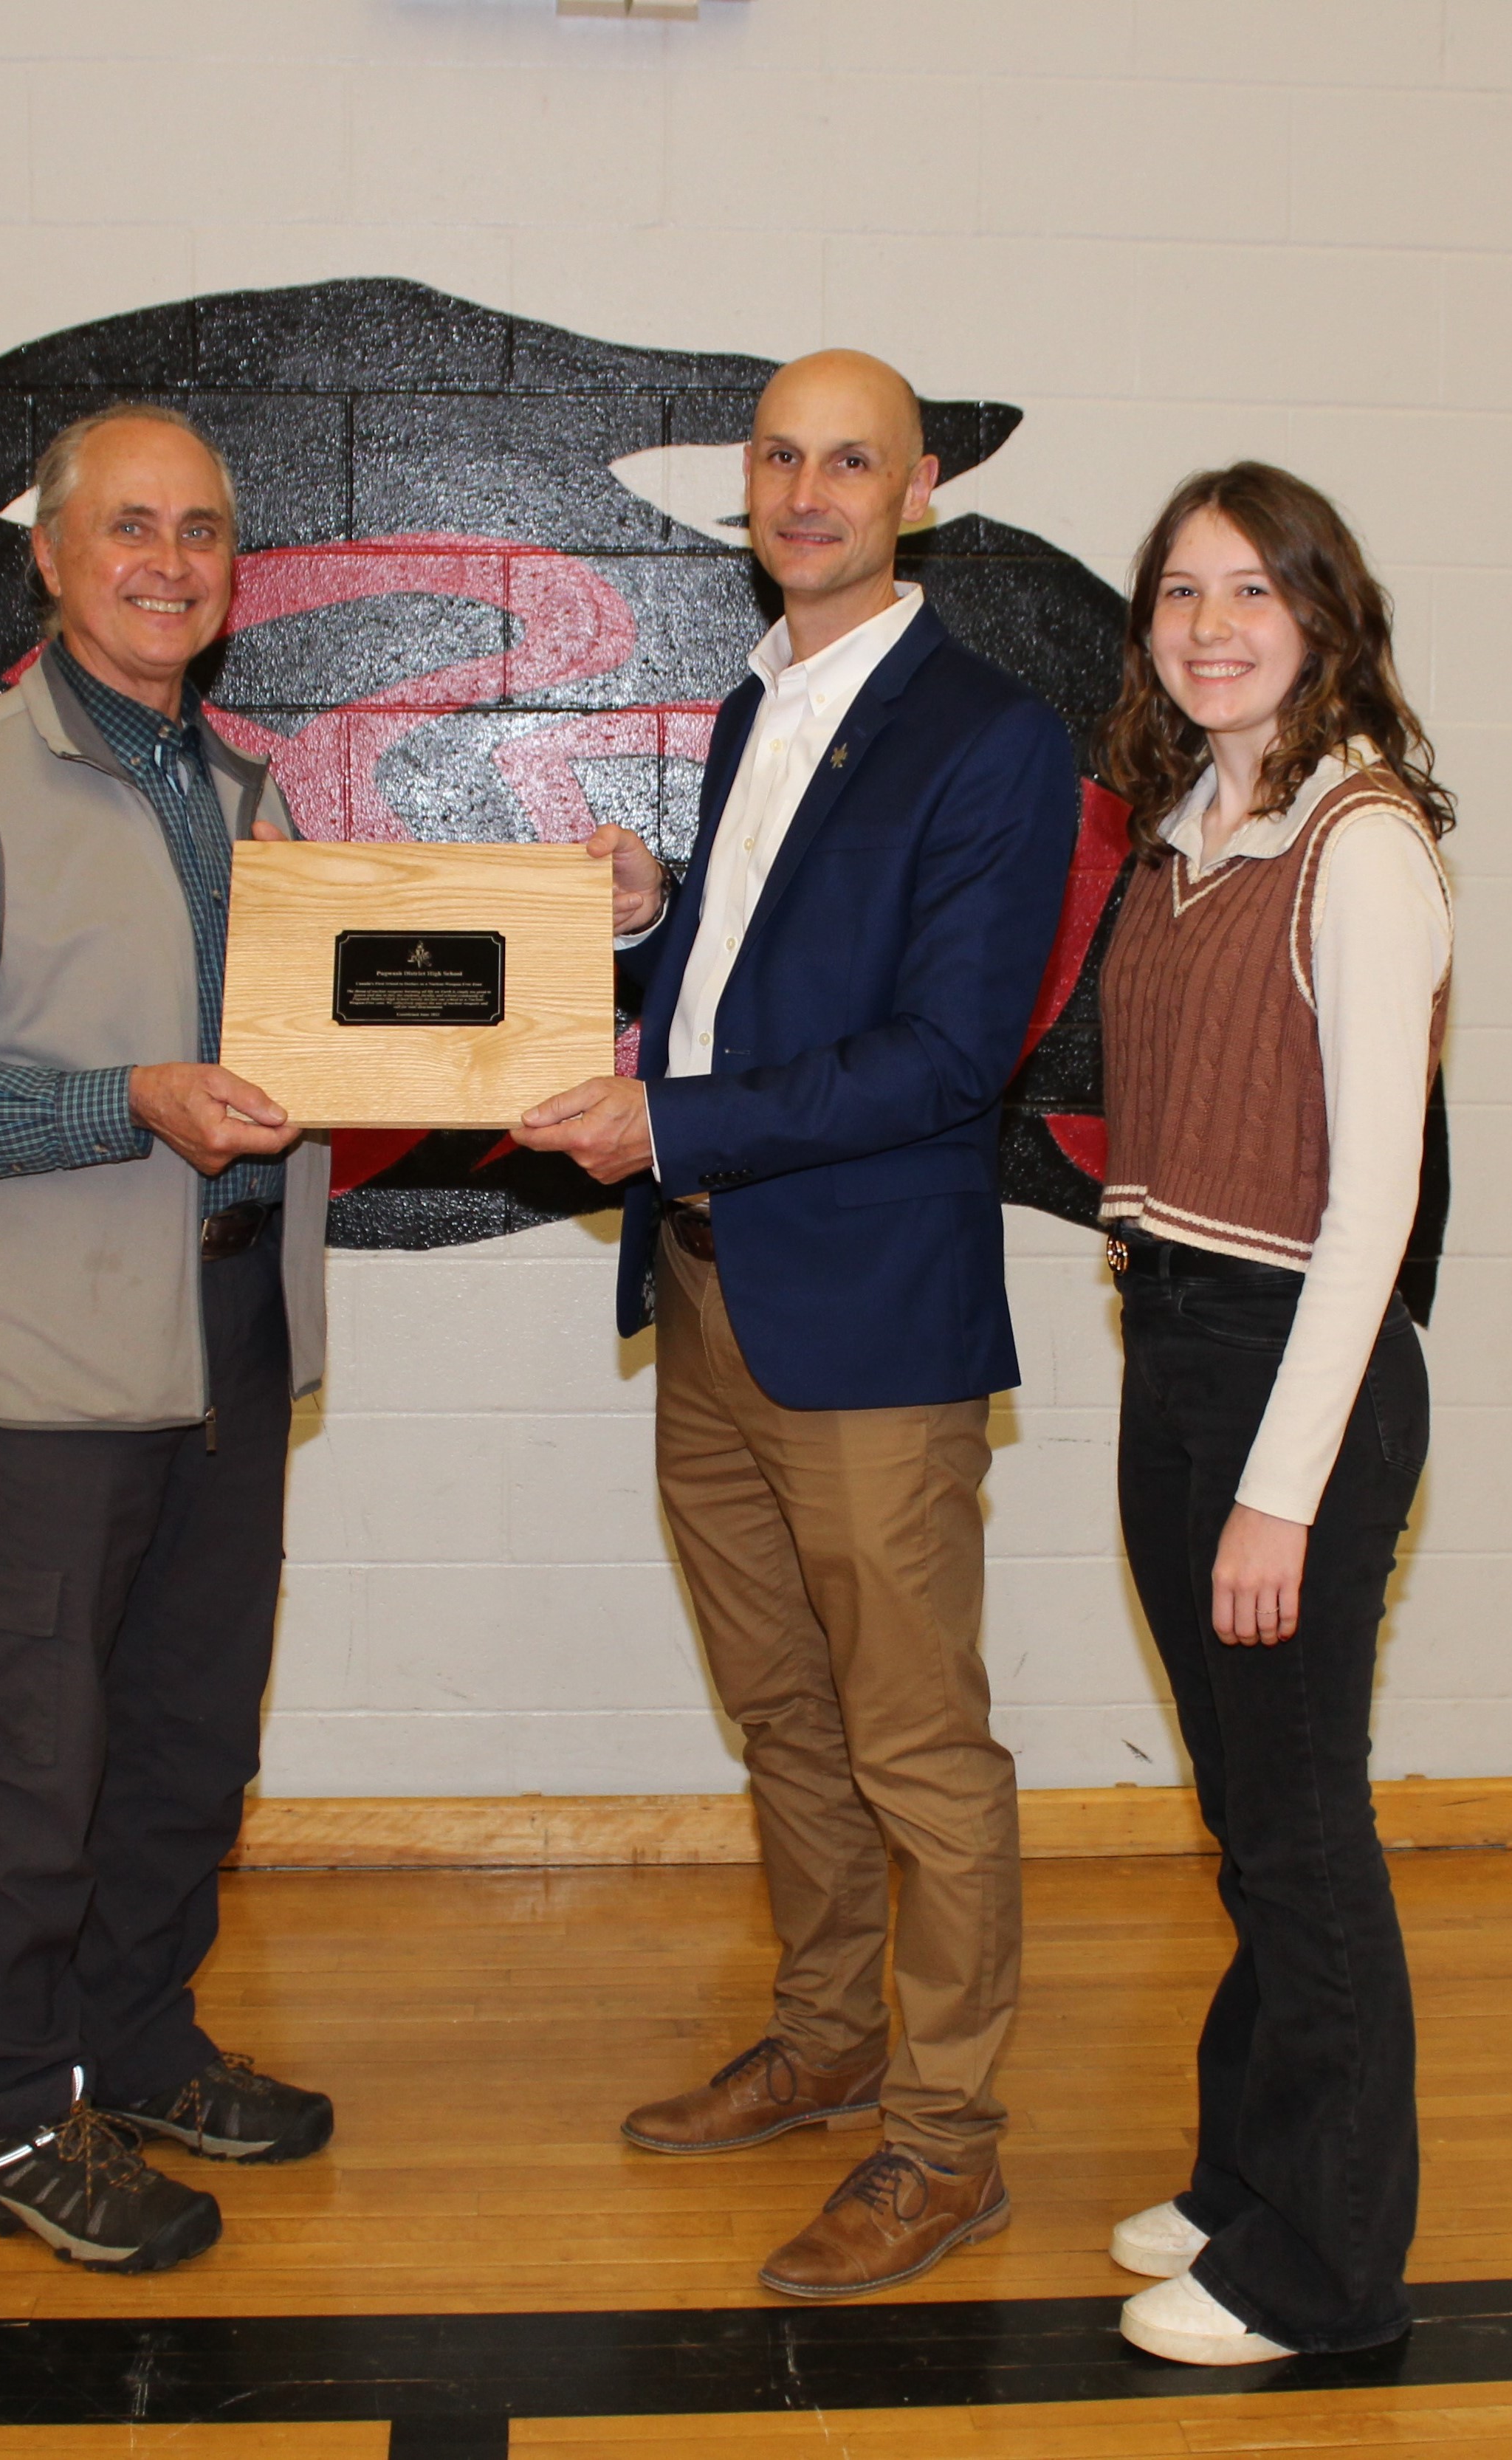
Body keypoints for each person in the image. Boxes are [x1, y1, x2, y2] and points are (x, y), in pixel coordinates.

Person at [513, 350, 1076, 2299]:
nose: (810, 490)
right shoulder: (765, 696)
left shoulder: (989, 736)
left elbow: (937, 1057)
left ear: (918, 488)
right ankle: (831, 2036)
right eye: (780, 456)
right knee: (784, 1721)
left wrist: (662, 1113)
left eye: (851, 459)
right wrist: (660, 915)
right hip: (703, 1290)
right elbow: (765, 981)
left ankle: (946, 2142)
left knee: (918, 1747)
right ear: (747, 482)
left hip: (861, 1324)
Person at [0, 403, 335, 2274]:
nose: (169, 560)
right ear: (48, 554)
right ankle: (10, 2114)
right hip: (40, 1366)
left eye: (202, 528)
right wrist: (124, 1099)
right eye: (129, 525)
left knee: (190, 1742)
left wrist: (541, 980)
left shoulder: (250, 799)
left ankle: (134, 2040)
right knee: (33, 1761)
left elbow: (337, 1036)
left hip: (227, 1336)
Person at [1093, 463, 1454, 2364]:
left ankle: (1322, 2270)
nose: (1211, 622)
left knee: (1305, 1831)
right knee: (1248, 1818)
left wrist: (1279, 1491)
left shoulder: (1362, 843)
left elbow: (1377, 1208)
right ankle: (1250, 2173)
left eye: (1252, 589)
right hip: (1178, 1340)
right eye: (1179, 591)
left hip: (1290, 1374)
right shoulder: (1193, 826)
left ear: (1322, 614)